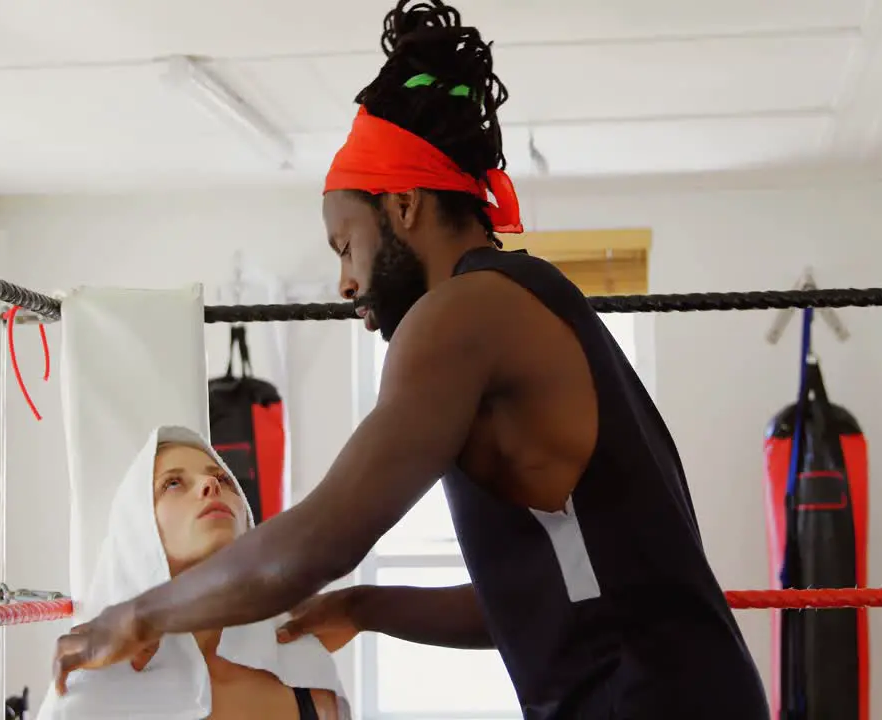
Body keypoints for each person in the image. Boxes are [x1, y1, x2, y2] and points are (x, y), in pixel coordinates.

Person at [52, 1, 769, 717]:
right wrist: (364, 607)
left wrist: (137, 614)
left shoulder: (461, 315)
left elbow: (318, 539)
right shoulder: (524, 301)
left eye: (345, 244)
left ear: (402, 207)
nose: (345, 282)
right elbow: (534, 601)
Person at [44, 426, 345, 720]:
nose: (209, 484)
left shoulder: (307, 670)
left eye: (223, 479)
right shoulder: (88, 700)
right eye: (173, 483)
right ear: (138, 528)